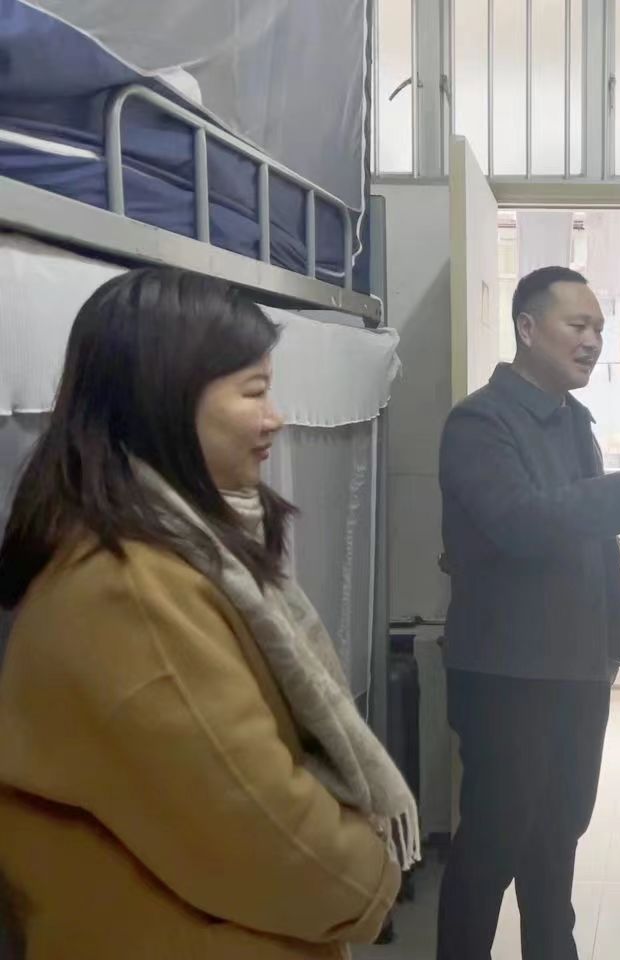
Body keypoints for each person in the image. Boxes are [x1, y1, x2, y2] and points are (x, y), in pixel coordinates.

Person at [0, 268, 415, 959]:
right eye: (254, 391)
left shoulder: (176, 547)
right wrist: (373, 874)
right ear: (164, 402)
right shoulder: (128, 593)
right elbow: (266, 830)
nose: (275, 418)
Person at [436, 266, 620, 959]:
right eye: (578, 324)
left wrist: (607, 651)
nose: (593, 340)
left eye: (599, 327)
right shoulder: (479, 422)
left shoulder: (572, 419)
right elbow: (522, 522)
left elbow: (587, 541)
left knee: (558, 839)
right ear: (527, 328)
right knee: (492, 847)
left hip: (576, 669)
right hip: (509, 675)